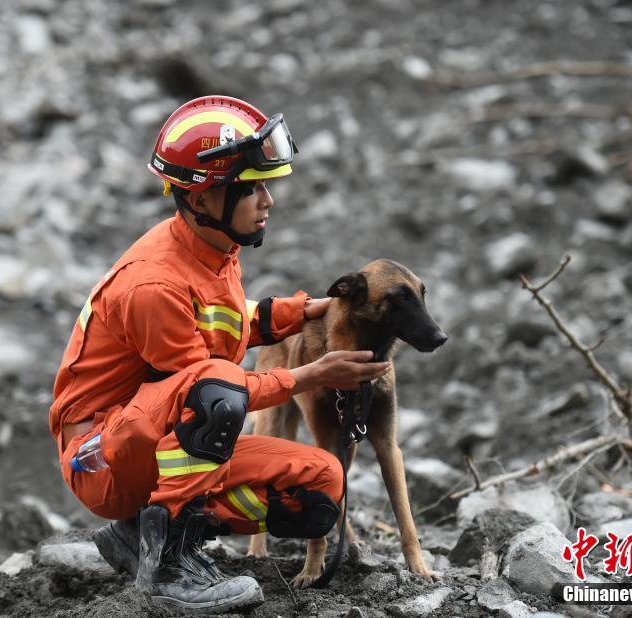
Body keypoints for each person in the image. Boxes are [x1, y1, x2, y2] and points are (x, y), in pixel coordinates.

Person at [48, 95, 390, 613]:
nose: (268, 200)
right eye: (250, 188)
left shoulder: (212, 249)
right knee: (216, 394)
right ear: (202, 198)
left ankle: (139, 532)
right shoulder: (154, 283)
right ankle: (169, 565)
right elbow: (210, 388)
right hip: (102, 457)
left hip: (152, 433)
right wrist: (310, 375)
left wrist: (304, 312)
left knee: (321, 486)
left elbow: (229, 324)